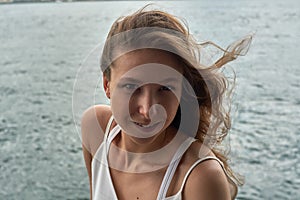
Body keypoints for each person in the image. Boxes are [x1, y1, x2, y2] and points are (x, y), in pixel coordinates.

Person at [81, 5, 252, 200]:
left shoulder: (199, 178)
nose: (148, 110)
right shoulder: (96, 129)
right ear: (107, 85)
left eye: (165, 89)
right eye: (130, 87)